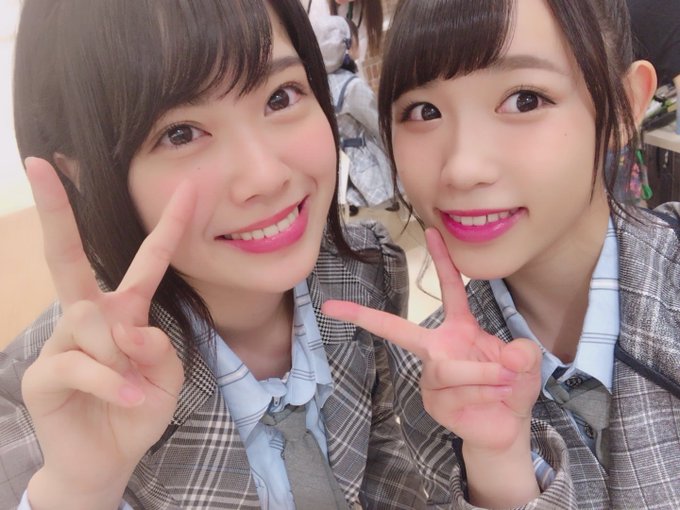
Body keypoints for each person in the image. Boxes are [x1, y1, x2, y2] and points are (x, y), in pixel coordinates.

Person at [0, 1, 426, 509]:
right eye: (179, 133)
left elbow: (389, 481)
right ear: (83, 176)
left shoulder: (369, 274)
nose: (266, 176)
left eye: (281, 96)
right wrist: (78, 493)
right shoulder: (43, 403)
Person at [323, 0, 680, 508]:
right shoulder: (437, 372)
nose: (462, 168)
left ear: (623, 106)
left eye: (524, 100)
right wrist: (497, 463)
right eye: (424, 111)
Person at [311, 14, 398, 216]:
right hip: (372, 167)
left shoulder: (322, 88)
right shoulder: (352, 87)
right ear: (346, 45)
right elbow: (379, 125)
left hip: (346, 170)